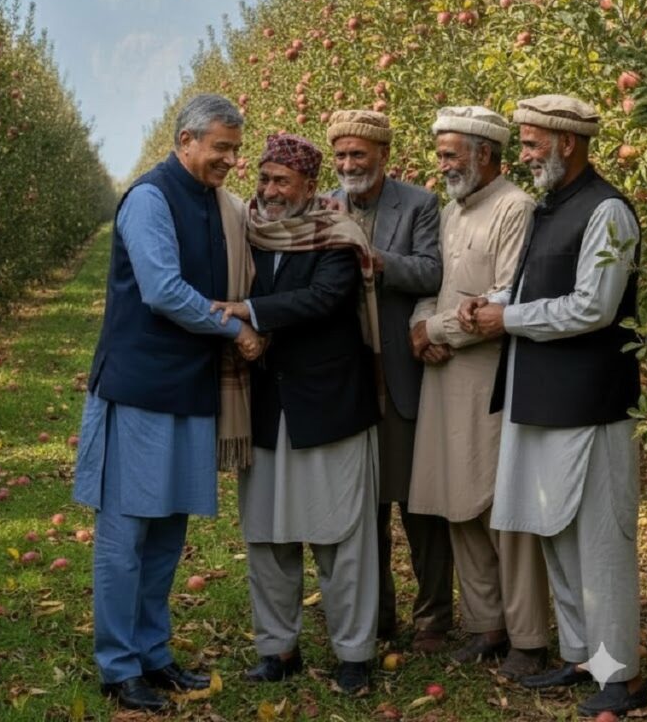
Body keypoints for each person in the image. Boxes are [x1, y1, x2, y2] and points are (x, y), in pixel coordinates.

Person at [73, 93, 265, 713]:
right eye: (220, 147)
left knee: (166, 534)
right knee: (126, 532)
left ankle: (153, 654)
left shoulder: (216, 204)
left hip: (189, 388)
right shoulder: (150, 198)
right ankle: (118, 666)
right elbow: (161, 290)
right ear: (186, 141)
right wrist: (237, 329)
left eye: (236, 149)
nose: (230, 160)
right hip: (138, 389)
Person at [458, 94, 645, 718]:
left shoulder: (609, 212)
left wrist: (505, 317)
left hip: (592, 403)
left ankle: (620, 674)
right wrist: (486, 301)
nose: (527, 151)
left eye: (534, 140)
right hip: (538, 397)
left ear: (568, 142)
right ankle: (580, 656)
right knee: (556, 534)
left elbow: (594, 305)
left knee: (601, 540)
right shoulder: (549, 208)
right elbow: (530, 286)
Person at [213, 133, 381, 695]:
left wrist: (250, 312)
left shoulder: (337, 234)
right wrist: (240, 322)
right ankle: (277, 648)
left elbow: (325, 299)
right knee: (266, 537)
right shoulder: (248, 233)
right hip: (264, 406)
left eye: (281, 180)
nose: (269, 190)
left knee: (340, 539)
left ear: (311, 187)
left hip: (328, 405)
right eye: (263, 178)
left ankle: (354, 655)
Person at [407, 106, 549, 679]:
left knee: (499, 510)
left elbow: (505, 297)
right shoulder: (450, 210)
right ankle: (486, 625)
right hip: (443, 378)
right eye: (440, 154)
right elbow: (433, 284)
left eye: (449, 156)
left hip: (488, 378)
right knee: (456, 504)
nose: (442, 166)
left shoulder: (516, 208)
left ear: (483, 155)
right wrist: (420, 325)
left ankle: (529, 638)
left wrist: (434, 330)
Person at [326, 109, 453, 652]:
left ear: (383, 156)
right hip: (347, 374)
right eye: (341, 156)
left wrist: (376, 261)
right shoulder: (325, 206)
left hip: (400, 372)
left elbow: (432, 270)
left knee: (417, 504)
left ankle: (434, 618)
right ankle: (376, 616)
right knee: (362, 507)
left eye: (359, 155)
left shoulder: (419, 205)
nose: (349, 165)